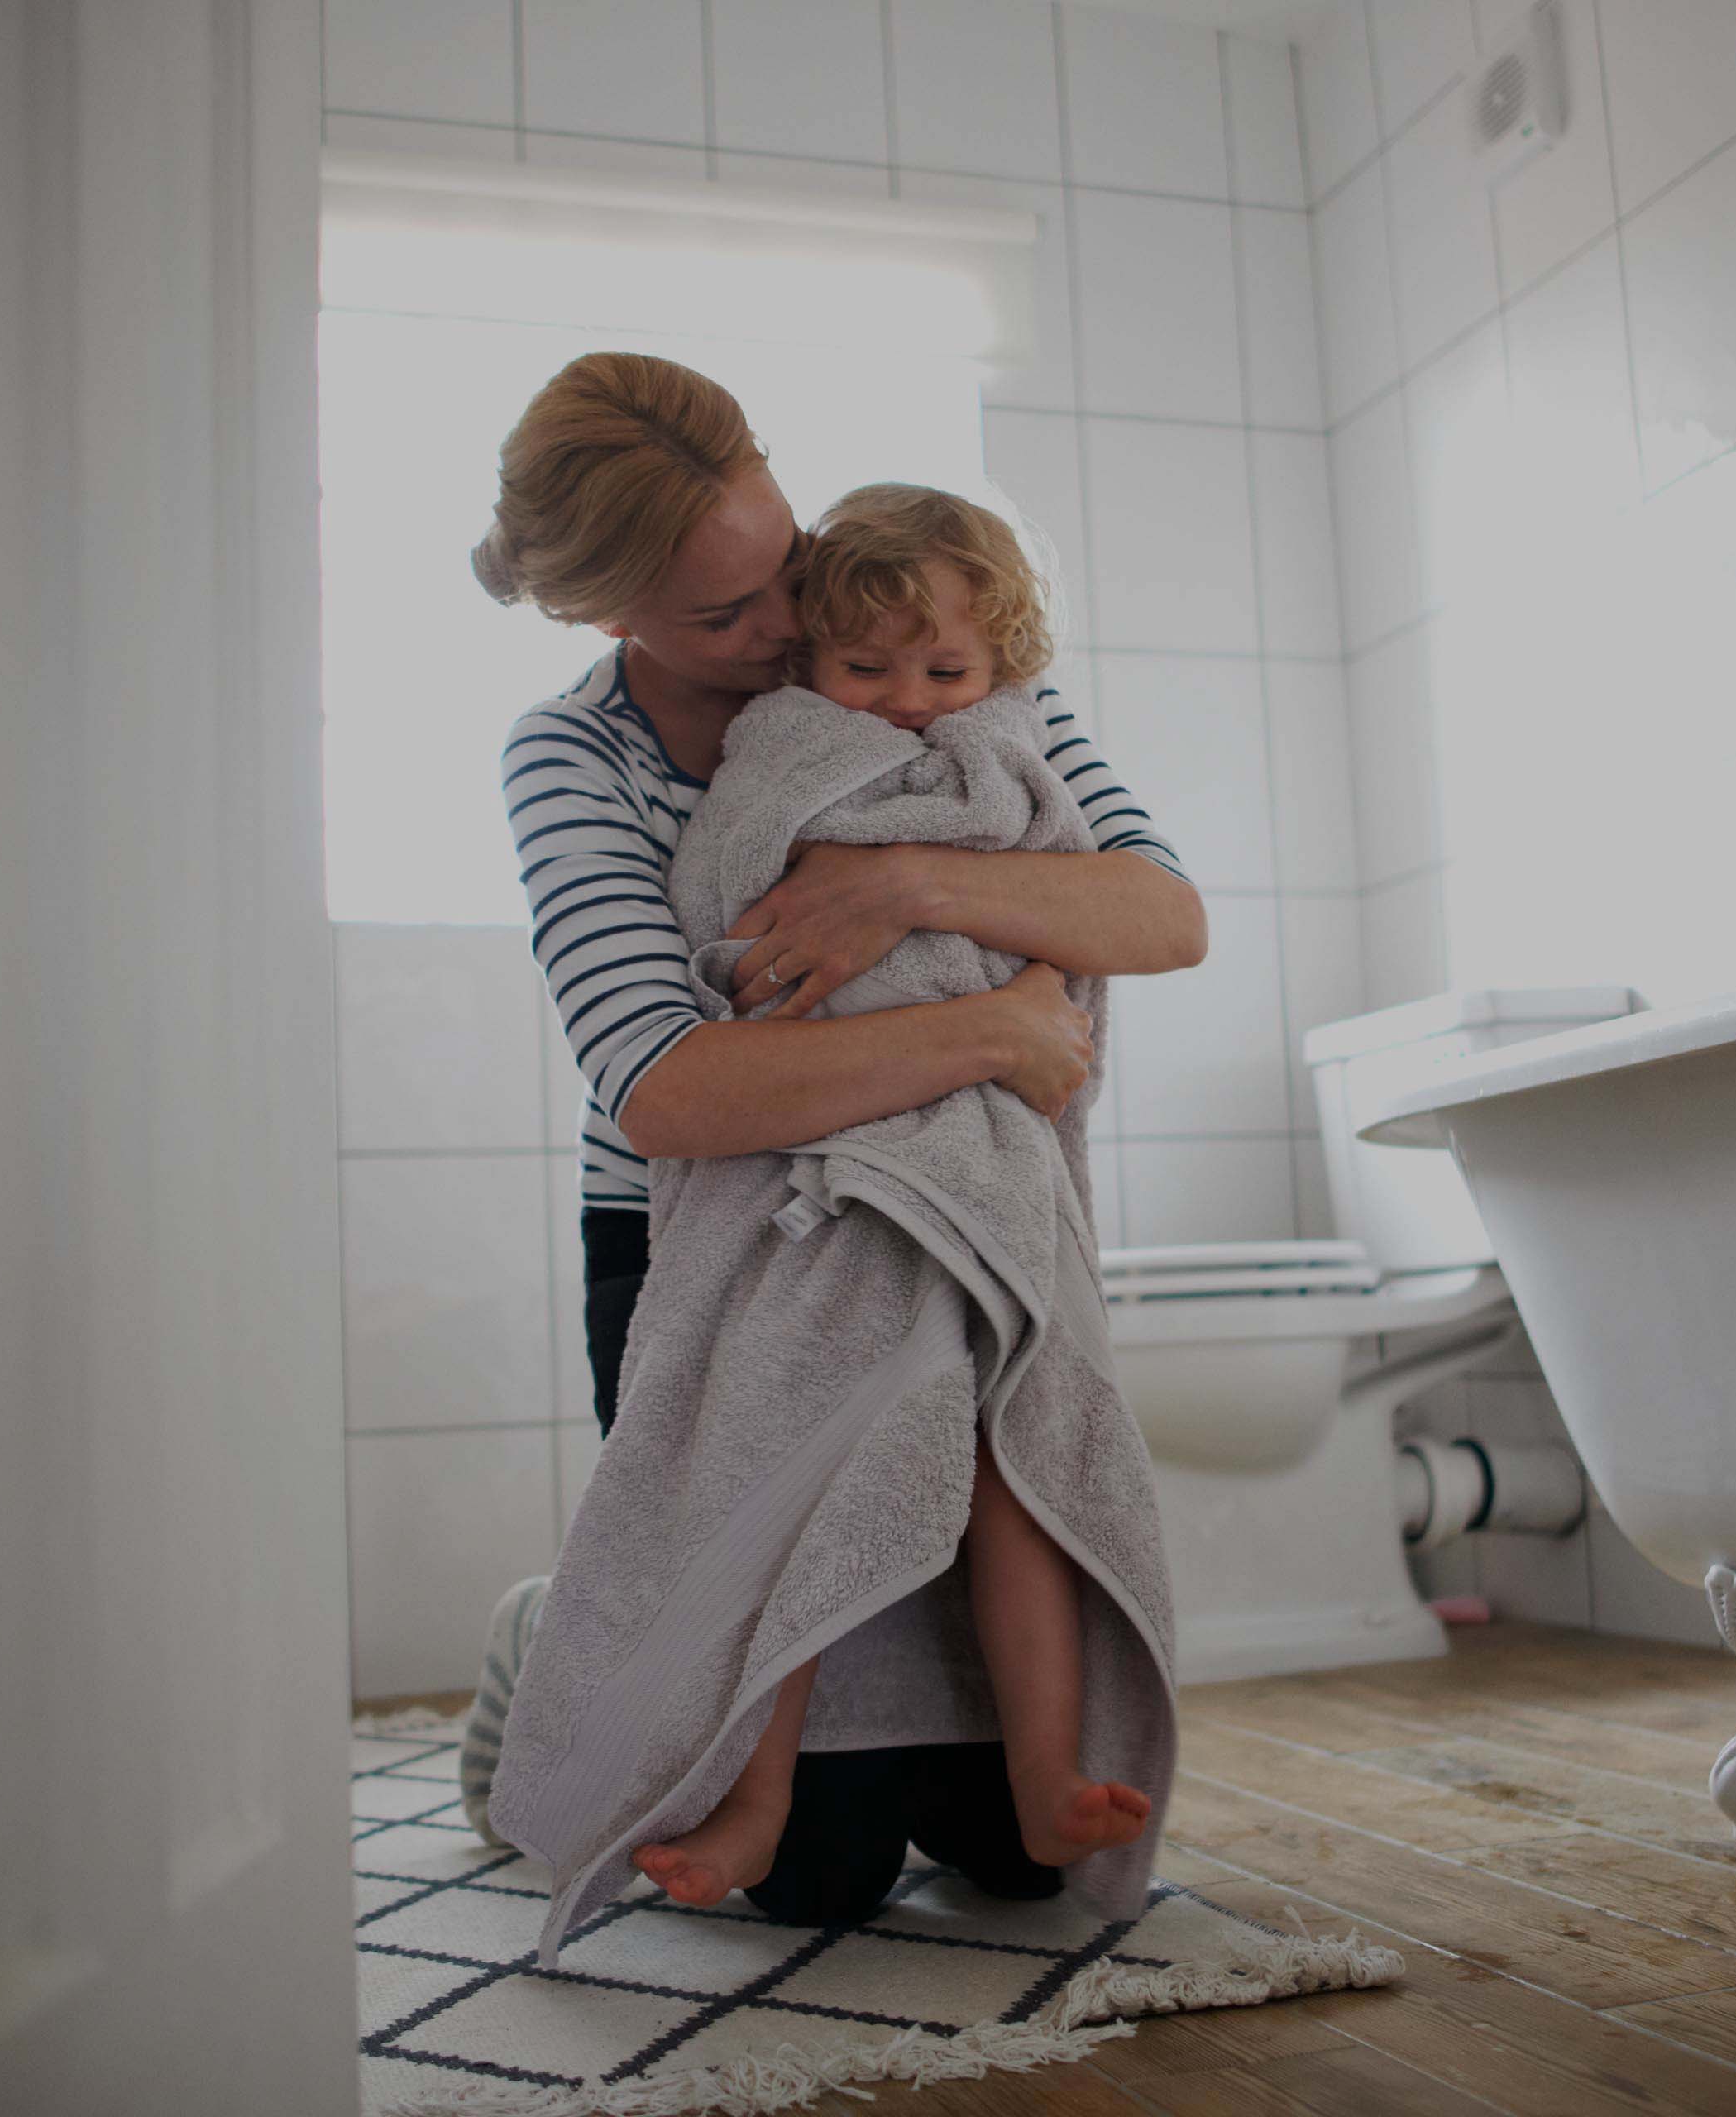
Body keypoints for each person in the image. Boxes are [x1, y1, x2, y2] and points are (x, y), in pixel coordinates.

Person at [461, 353, 1204, 1925]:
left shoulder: (925, 657)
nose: (789, 625)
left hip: (949, 1206)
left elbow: (1159, 912)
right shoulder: (573, 756)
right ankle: (562, 1633)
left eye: (783, 563)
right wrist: (994, 1030)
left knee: (1016, 1856)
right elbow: (666, 1087)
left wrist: (908, 884)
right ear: (608, 615)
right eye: (725, 614)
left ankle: (952, 1740)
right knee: (817, 1877)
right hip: (716, 1239)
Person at [619, 483, 1156, 1910]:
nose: (912, 704)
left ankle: (1046, 1775)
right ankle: (753, 1796)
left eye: (947, 672)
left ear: (1003, 660)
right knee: (789, 1463)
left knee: (1015, 1473)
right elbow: (725, 924)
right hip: (824, 1182)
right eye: (868, 670)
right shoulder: (774, 750)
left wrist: (916, 890)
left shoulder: (1021, 736)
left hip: (985, 1175)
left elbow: (1148, 914)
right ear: (809, 657)